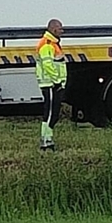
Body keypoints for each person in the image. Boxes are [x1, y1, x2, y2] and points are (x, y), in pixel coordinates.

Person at [35, 18, 66, 151]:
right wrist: (57, 81)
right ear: (53, 29)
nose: (62, 31)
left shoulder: (52, 43)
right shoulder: (47, 44)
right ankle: (46, 141)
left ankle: (48, 139)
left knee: (53, 113)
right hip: (51, 84)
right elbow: (48, 64)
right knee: (50, 113)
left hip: (52, 83)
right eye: (60, 28)